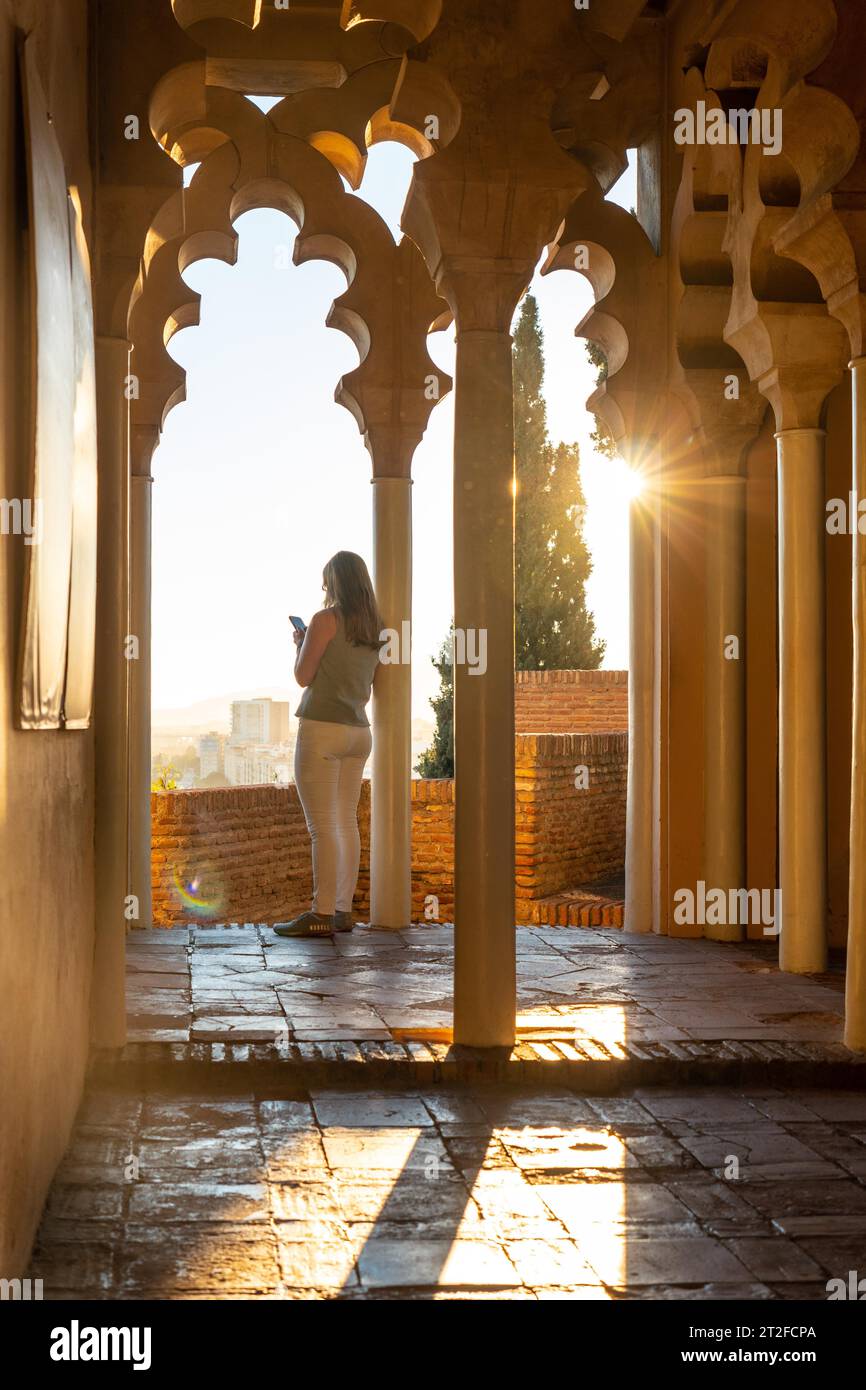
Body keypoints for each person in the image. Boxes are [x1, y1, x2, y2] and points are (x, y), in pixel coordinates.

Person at [274, 551, 383, 939]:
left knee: (321, 827)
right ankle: (341, 910)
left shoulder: (325, 620)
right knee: (345, 821)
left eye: (326, 582)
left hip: (322, 728)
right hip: (358, 732)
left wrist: (301, 644)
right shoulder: (375, 627)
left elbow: (304, 676)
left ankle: (319, 912)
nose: (323, 589)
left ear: (335, 583)